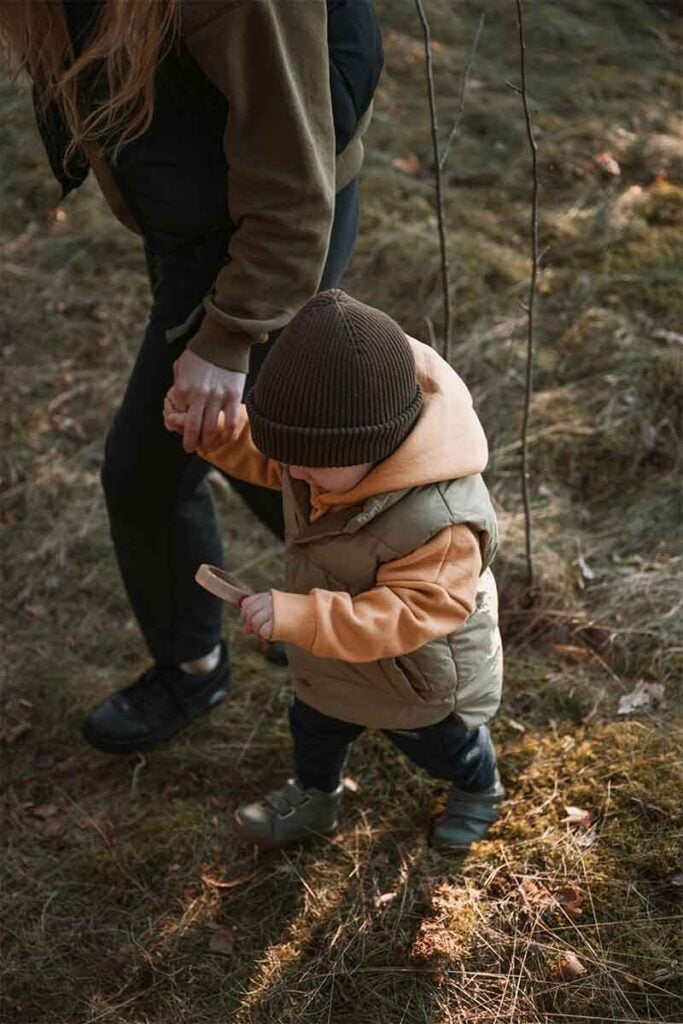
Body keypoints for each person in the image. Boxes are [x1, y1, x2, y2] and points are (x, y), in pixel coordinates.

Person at [0, 0, 384, 753]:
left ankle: (214, 664)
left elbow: (293, 187)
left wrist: (230, 334)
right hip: (198, 216)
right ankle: (359, 606)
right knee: (250, 439)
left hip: (262, 235)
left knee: (146, 474)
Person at [166, 290, 505, 851]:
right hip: (329, 653)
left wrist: (301, 615)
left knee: (444, 746)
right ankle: (316, 793)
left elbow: (414, 612)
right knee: (315, 726)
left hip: (416, 674)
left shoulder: (442, 521)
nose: (294, 473)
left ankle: (479, 788)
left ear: (377, 446)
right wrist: (217, 432)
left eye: (310, 463)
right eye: (290, 455)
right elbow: (275, 453)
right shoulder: (327, 455)